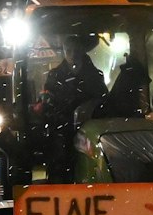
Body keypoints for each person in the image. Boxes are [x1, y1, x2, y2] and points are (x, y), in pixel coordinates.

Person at [32, 34, 107, 179]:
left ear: (83, 51)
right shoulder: (54, 76)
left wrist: (89, 108)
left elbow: (103, 101)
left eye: (76, 50)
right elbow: (48, 102)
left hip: (90, 131)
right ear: (64, 51)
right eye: (69, 50)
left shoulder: (95, 76)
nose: (73, 54)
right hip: (62, 132)